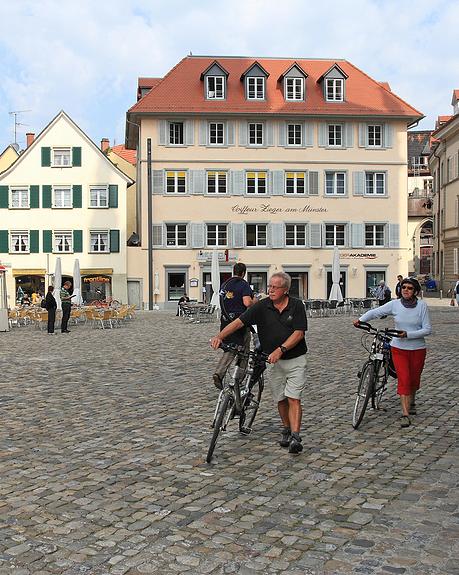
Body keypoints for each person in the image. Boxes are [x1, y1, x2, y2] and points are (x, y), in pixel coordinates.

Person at [211, 272, 308, 454]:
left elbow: (299, 333)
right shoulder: (262, 306)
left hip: (295, 359)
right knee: (280, 398)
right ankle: (286, 429)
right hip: (273, 361)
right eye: (269, 286)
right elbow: (239, 322)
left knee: (293, 397)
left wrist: (281, 350)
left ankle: (295, 436)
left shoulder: (296, 306)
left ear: (285, 290)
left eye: (275, 287)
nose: (270, 290)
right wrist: (219, 336)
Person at [353, 277, 431, 429]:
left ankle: (412, 401)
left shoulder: (422, 306)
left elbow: (427, 329)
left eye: (409, 288)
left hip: (417, 348)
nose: (406, 290)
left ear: (415, 291)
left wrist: (407, 334)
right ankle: (405, 414)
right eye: (404, 288)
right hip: (399, 348)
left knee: (414, 380)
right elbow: (376, 312)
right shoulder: (395, 305)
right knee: (404, 378)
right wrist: (360, 319)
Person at [212, 263, 254, 389]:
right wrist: (255, 301)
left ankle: (219, 373)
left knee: (230, 347)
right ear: (243, 273)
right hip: (239, 322)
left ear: (233, 271)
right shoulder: (243, 284)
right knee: (244, 351)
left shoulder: (225, 284)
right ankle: (238, 379)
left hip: (225, 321)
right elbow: (247, 302)